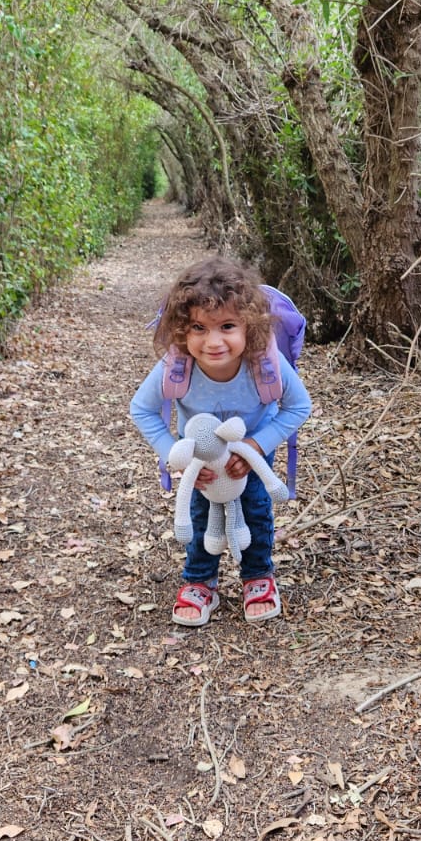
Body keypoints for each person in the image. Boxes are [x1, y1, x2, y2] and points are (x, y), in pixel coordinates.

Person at [130, 257, 311, 626]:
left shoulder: (265, 362)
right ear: (182, 331)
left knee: (257, 508)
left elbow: (298, 406)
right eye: (199, 327)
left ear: (251, 326)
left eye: (227, 326)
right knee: (199, 513)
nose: (213, 342)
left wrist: (258, 446)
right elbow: (142, 410)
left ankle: (258, 576)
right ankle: (200, 581)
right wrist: (175, 455)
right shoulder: (175, 365)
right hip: (202, 458)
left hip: (253, 451)